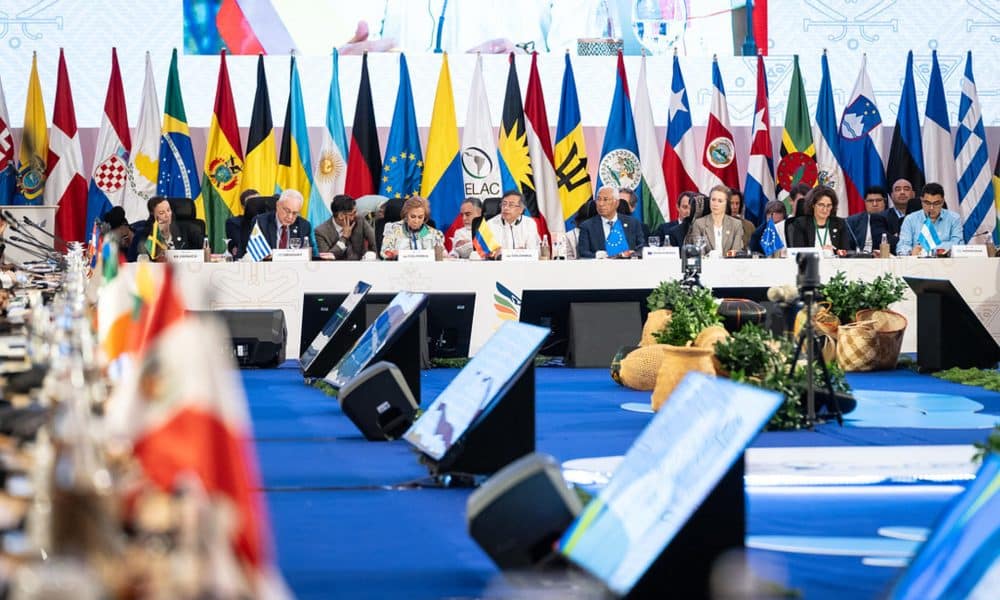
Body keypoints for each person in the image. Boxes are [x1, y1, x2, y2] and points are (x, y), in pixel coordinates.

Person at [576, 185, 645, 258]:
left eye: (605, 199)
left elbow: (642, 248)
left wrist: (630, 254)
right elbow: (583, 253)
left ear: (617, 203)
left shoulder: (632, 223)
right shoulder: (587, 226)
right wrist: (597, 255)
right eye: (598, 199)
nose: (601, 204)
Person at [896, 182, 963, 256]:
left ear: (942, 201)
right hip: (918, 264)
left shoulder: (954, 218)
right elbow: (903, 245)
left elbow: (958, 245)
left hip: (946, 264)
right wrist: (909, 252)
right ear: (921, 200)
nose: (931, 208)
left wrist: (927, 250)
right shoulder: (910, 219)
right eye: (927, 203)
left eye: (936, 203)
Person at [786, 186, 850, 252]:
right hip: (811, 261)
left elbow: (846, 251)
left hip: (835, 261)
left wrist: (835, 251)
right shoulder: (801, 223)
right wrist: (820, 250)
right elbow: (799, 251)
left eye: (829, 205)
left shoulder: (839, 223)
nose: (825, 209)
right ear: (813, 205)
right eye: (821, 205)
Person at [685, 185, 745, 255]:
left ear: (726, 203)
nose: (715, 204)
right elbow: (699, 253)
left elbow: (736, 252)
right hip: (707, 264)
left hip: (729, 264)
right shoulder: (699, 223)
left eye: (720, 201)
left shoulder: (736, 224)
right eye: (713, 200)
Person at [137, 197, 201, 260]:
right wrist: (158, 233)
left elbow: (203, 253)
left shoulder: (189, 230)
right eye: (161, 213)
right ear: (153, 215)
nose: (167, 215)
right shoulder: (143, 234)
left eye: (168, 210)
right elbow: (139, 260)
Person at [315, 194, 377, 260]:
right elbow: (327, 258)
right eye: (353, 213)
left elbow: (375, 242)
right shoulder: (321, 232)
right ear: (341, 216)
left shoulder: (360, 221)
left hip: (360, 267)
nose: (356, 215)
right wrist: (344, 237)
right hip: (336, 268)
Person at [484, 190, 540, 257]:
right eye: (504, 204)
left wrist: (505, 253)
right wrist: (518, 253)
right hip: (498, 265)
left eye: (511, 205)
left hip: (523, 265)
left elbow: (534, 251)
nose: (506, 208)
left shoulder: (529, 224)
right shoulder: (490, 224)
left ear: (521, 209)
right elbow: (486, 252)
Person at [846, 186, 891, 254]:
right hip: (861, 259)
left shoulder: (892, 219)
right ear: (865, 202)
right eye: (870, 201)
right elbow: (847, 247)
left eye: (878, 200)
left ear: (885, 202)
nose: (875, 204)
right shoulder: (852, 221)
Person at [885, 178, 921, 249]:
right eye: (898, 189)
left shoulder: (923, 216)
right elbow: (884, 242)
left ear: (913, 194)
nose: (902, 192)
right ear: (892, 195)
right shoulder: (882, 217)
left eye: (906, 189)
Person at [227, 189, 258, 257]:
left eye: (258, 201)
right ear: (243, 206)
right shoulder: (234, 222)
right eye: (252, 203)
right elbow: (241, 245)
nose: (256, 205)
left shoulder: (268, 221)